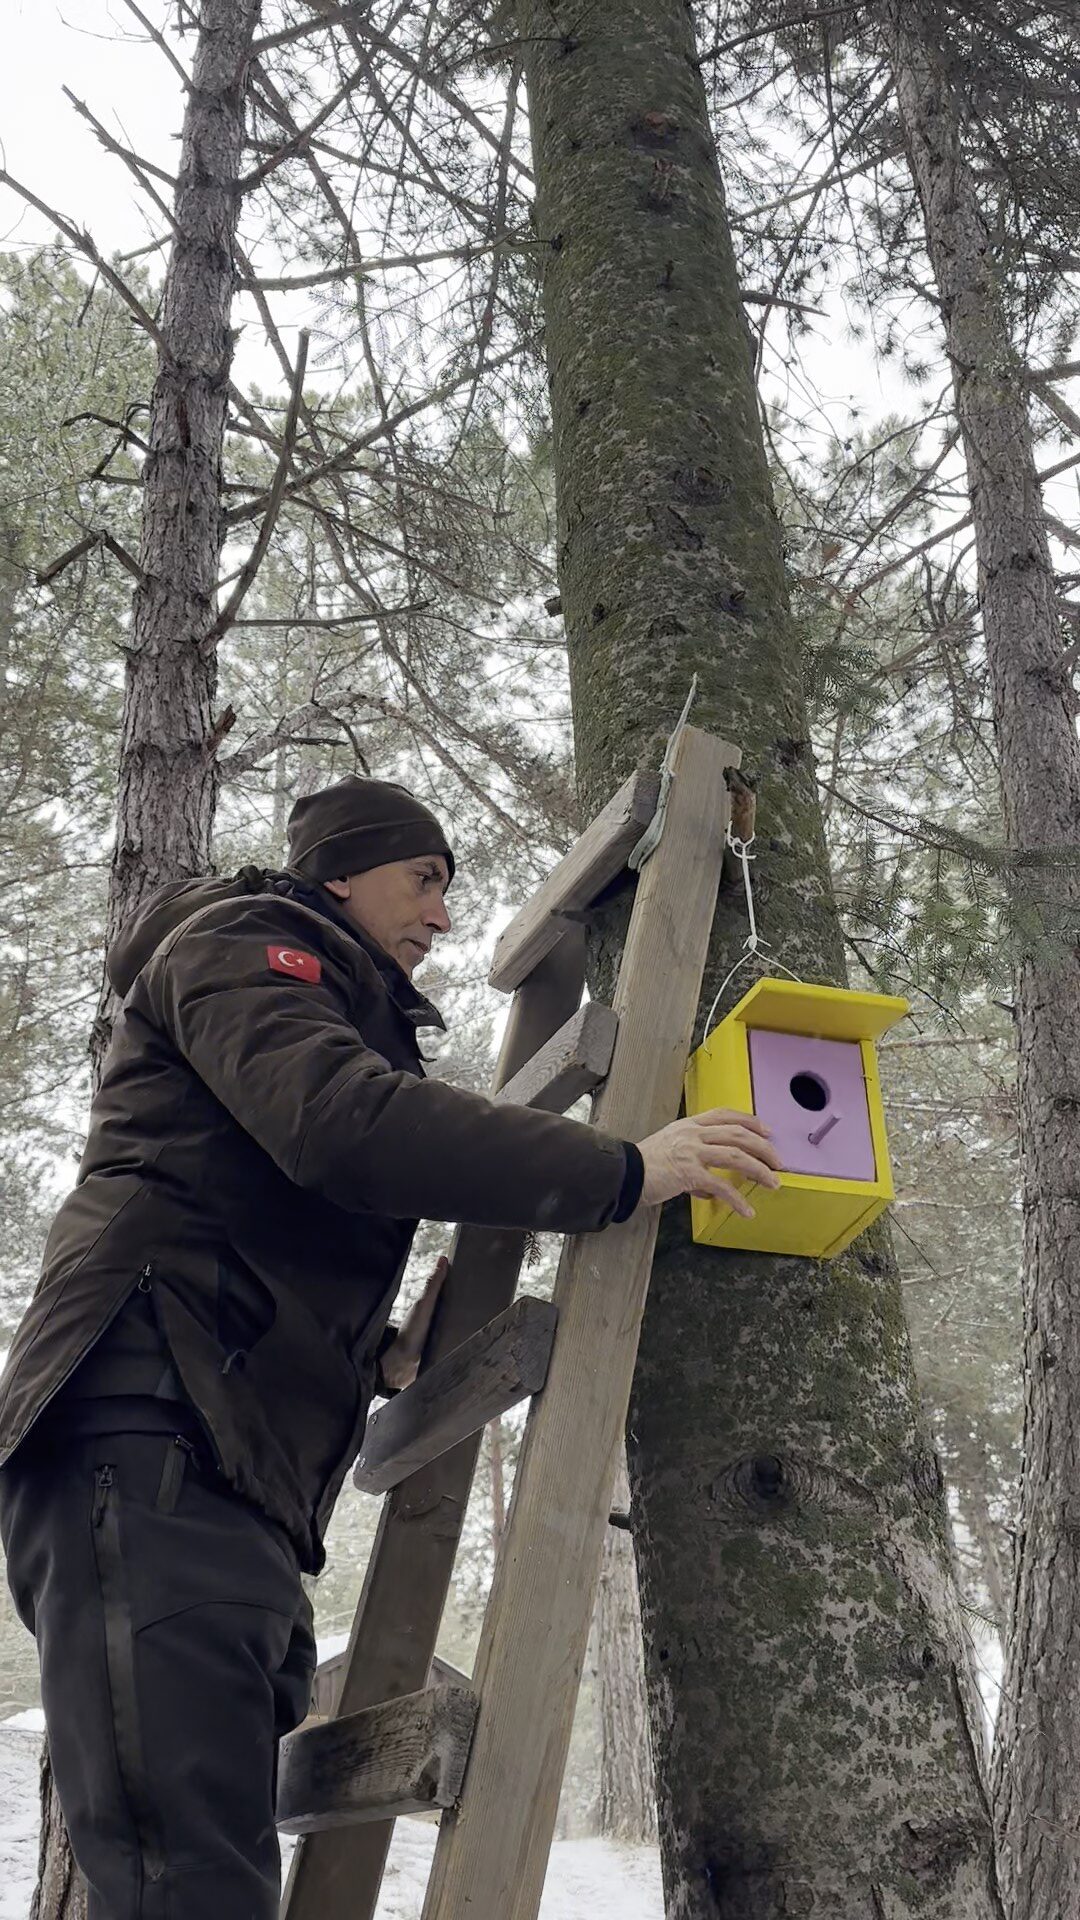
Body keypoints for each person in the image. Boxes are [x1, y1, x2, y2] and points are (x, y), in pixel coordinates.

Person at [0, 775, 780, 1919]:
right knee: (188, 1882)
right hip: (154, 1440)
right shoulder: (242, 943)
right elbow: (338, 1124)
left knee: (205, 1866)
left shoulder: (314, 996)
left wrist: (385, 1362)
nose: (442, 915)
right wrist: (621, 1170)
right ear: (339, 874)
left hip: (220, 1468)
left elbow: (252, 1220)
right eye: (422, 878)